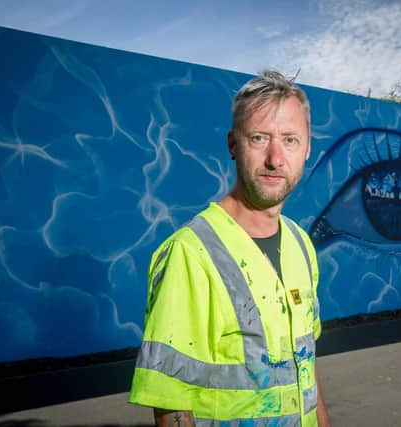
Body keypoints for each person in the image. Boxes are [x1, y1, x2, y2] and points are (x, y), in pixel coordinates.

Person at [129, 70, 331, 427]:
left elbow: (306, 372)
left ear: (307, 148)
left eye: (290, 140)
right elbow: (172, 404)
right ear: (233, 144)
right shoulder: (190, 255)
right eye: (258, 138)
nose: (274, 157)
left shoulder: (301, 244)